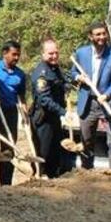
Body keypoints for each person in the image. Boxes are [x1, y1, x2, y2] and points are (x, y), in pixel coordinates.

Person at [72, 21, 111, 170]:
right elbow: (73, 72)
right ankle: (87, 171)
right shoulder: (81, 53)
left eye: (103, 33)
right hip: (87, 102)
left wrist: (106, 95)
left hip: (108, 102)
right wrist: (79, 77)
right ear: (90, 37)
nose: (102, 37)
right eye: (98, 34)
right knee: (86, 140)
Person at [0, 40, 27, 186]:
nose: (16, 58)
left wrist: (24, 111)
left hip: (10, 113)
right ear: (4, 53)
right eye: (14, 54)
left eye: (18, 55)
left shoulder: (20, 74)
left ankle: (6, 183)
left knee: (8, 147)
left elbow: (21, 96)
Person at [30, 39, 75, 179]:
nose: (54, 56)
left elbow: (62, 82)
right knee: (44, 151)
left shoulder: (56, 69)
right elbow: (44, 99)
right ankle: (40, 176)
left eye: (56, 53)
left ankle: (53, 177)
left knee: (55, 151)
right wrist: (64, 112)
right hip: (43, 118)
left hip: (54, 118)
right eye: (50, 53)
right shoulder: (42, 74)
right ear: (43, 54)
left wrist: (67, 85)